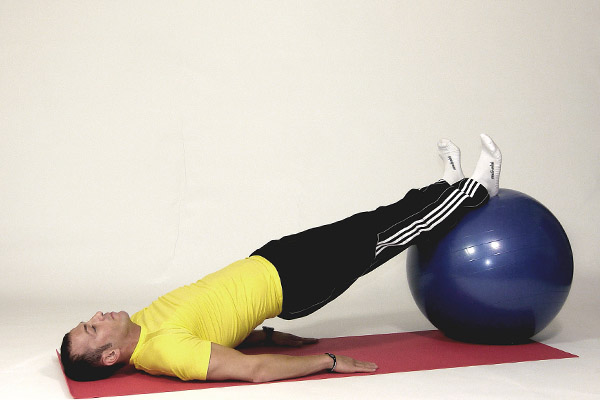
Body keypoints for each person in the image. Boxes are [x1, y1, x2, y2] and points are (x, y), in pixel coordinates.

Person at [60, 134, 502, 383]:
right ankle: (477, 193)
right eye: (93, 328)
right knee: (383, 237)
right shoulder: (163, 351)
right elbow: (250, 371)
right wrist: (327, 362)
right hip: (296, 283)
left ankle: (445, 188)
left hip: (269, 261)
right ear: (110, 355)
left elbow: (212, 326)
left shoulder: (143, 323)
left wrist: (265, 337)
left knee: (369, 221)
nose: (97, 315)